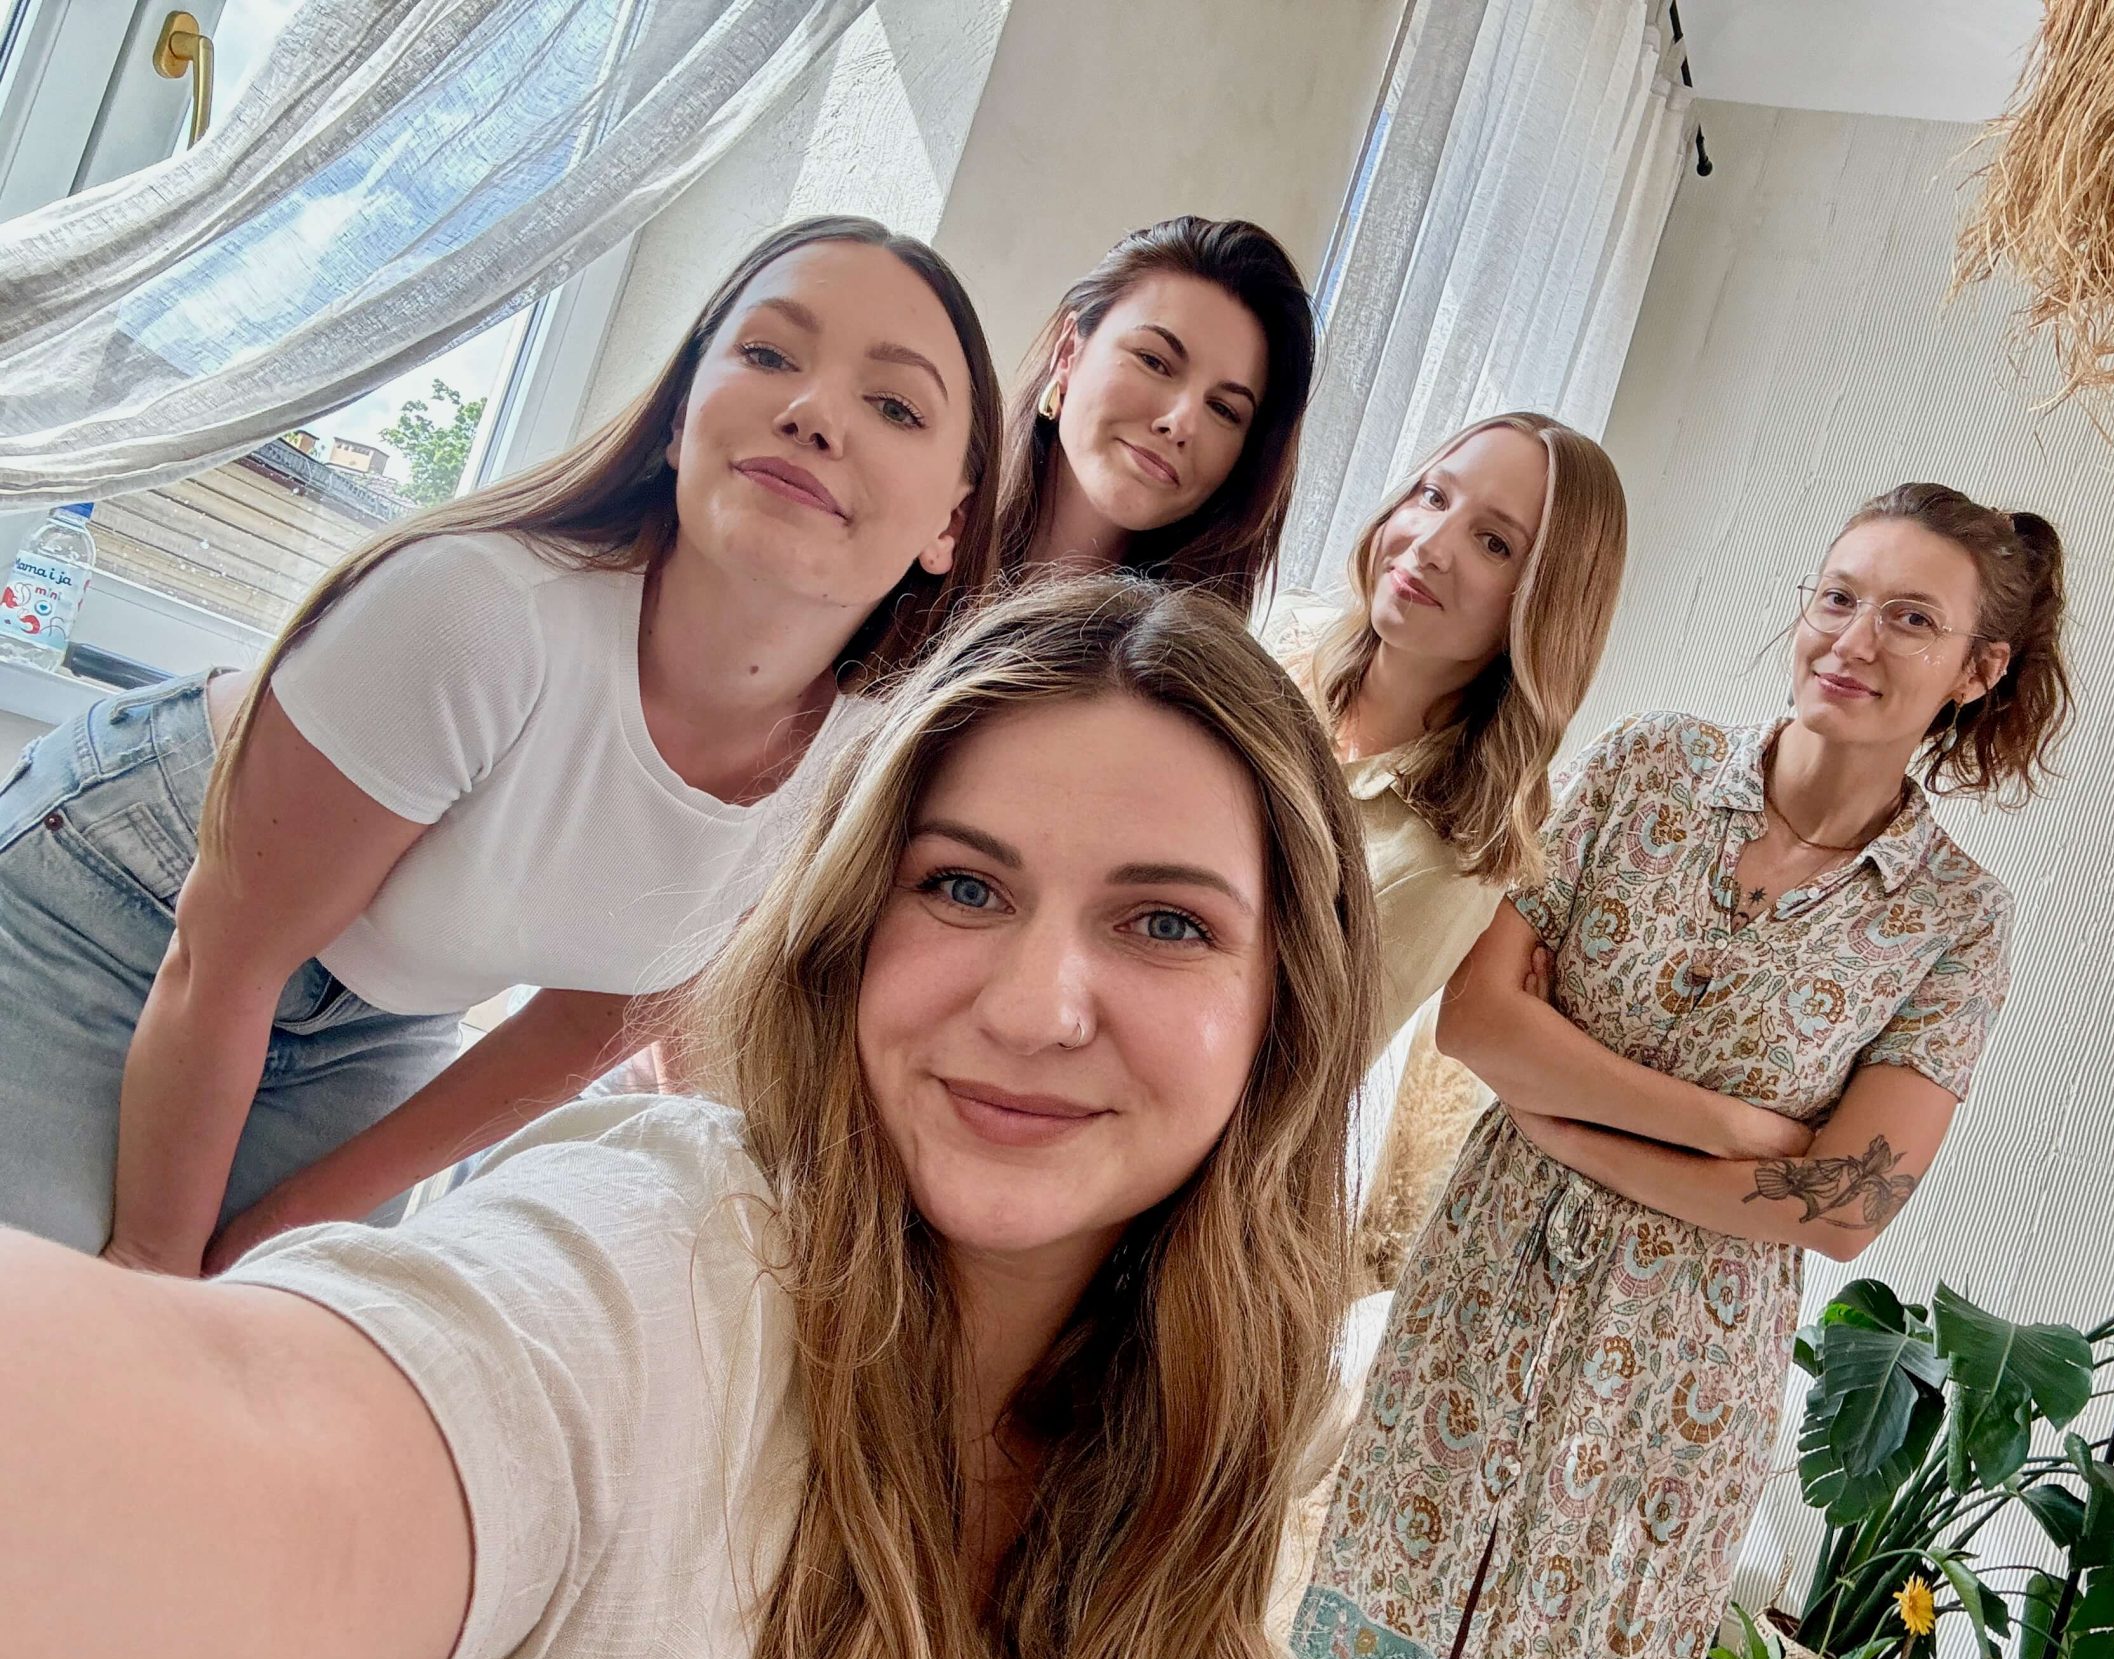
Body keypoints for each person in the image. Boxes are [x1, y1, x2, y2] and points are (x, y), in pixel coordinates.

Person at [0, 573, 1380, 1659]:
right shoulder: (670, 1268)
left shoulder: (1217, 1467)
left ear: (1288, 1007)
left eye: (1164, 923)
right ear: (850, 932)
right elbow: (289, 1441)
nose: (1033, 1010)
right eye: (962, 888)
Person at [1293, 482, 2076, 1659]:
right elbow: (1479, 1022)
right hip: (1486, 1291)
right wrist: (1732, 1131)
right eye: (1838, 595)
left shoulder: (1955, 919)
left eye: (1910, 619)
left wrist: (1575, 1116)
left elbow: (1841, 1208)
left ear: (1978, 670)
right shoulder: (1645, 768)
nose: (1854, 639)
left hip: (1677, 1383)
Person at [0, 215, 998, 1275]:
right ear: (678, 420)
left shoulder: (865, 780)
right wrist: (155, 1272)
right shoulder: (478, 611)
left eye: (895, 406)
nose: (813, 414)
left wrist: (267, 1246)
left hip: (385, 1013)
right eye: (766, 354)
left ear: (951, 521)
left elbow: (589, 1022)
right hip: (132, 900)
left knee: (272, 1317)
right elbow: (223, 959)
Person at [1272, 411, 1625, 1063]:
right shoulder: (1276, 635)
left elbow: (1296, 1072)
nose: (1429, 545)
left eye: (1493, 543)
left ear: (1541, 605)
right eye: (1433, 496)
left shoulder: (1447, 867)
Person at [994, 216, 1313, 608]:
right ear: (1068, 352)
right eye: (1154, 361)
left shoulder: (1183, 648)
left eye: (1224, 410)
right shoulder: (931, 519)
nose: (1181, 422)